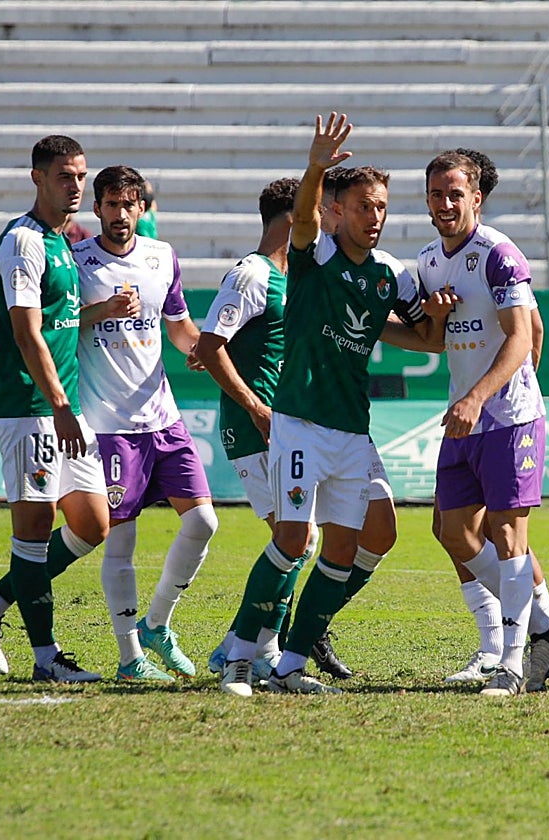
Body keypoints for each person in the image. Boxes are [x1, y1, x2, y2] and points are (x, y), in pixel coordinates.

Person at [215, 113, 435, 696]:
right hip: (300, 424)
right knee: (292, 540)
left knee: (340, 548)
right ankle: (239, 655)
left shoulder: (392, 275)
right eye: (364, 206)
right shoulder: (314, 258)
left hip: (352, 432)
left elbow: (428, 337)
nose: (375, 217)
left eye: (382, 207)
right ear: (340, 211)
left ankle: (289, 667)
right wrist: (315, 164)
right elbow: (306, 216)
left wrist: (438, 308)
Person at [384, 149, 549, 691]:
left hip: (506, 418)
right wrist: (385, 325)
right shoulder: (427, 262)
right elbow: (432, 340)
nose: (445, 204)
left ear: (476, 198)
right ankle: (544, 633)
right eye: (436, 194)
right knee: (452, 530)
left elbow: (524, 334)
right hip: (466, 417)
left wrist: (489, 395)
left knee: (507, 533)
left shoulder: (499, 254)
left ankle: (512, 661)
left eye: (455, 194)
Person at [0, 135, 109, 683]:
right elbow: (26, 334)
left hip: (62, 406)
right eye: (65, 176)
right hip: (31, 406)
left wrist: (102, 311)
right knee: (36, 528)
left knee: (92, 524)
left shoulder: (61, 239)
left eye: (81, 176)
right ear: (38, 178)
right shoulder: (23, 243)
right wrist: (60, 404)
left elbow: (58, 323)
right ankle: (46, 658)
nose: (76, 186)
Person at [74, 165, 218, 683]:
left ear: (141, 209)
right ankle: (129, 656)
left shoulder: (163, 258)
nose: (119, 214)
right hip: (109, 422)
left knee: (203, 521)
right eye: (110, 205)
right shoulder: (77, 261)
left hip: (163, 416)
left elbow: (177, 324)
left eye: (128, 204)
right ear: (98, 210)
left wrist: (201, 350)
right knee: (121, 542)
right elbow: (58, 324)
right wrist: (102, 309)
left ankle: (157, 624)